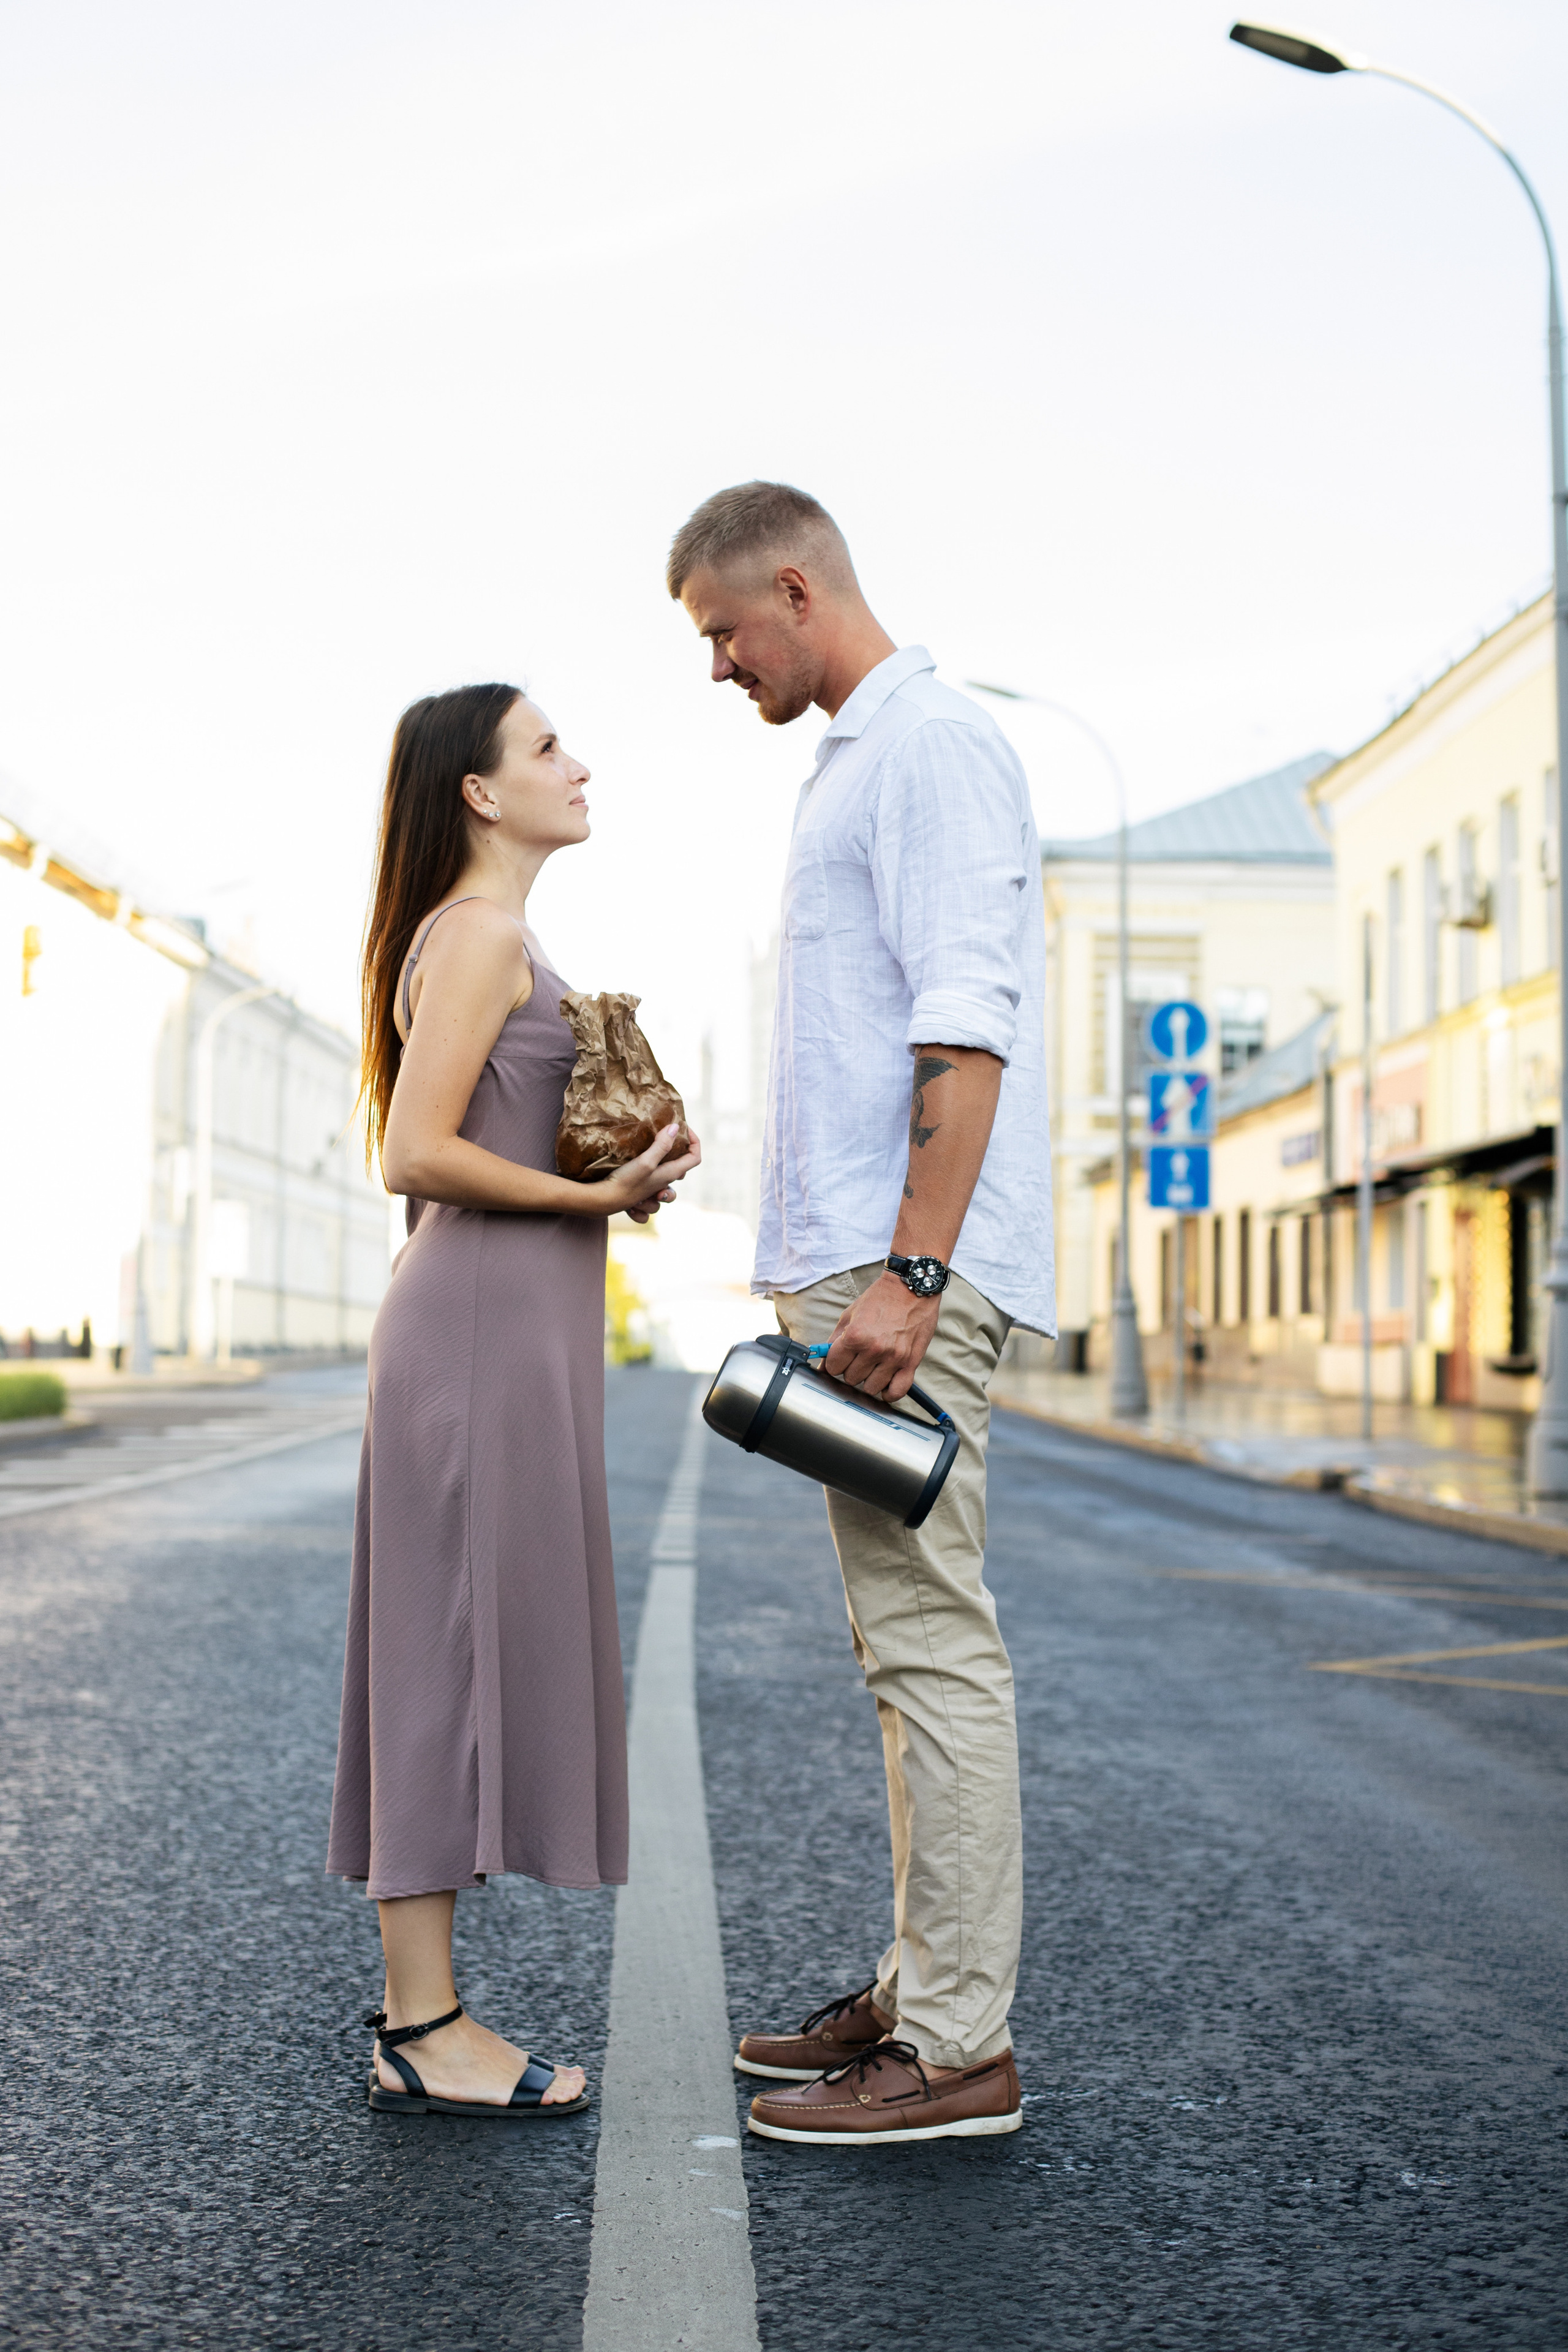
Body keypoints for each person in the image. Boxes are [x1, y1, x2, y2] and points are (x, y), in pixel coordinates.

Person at [669, 483, 1053, 2146]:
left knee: (933, 1643)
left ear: (797, 589)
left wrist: (908, 1268)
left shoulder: (932, 748)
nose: (716, 668)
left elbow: (965, 1023)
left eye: (720, 633)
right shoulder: (859, 758)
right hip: (871, 1257)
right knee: (901, 1650)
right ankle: (920, 1995)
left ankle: (960, 2050)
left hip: (915, 1268)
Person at [326, 683, 698, 2119]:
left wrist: (621, 1172)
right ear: (480, 792)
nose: (579, 764)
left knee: (459, 1653)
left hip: (501, 1333)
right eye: (548, 747)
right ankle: (424, 2030)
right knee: (439, 1665)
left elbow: (485, 1135)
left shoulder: (502, 938)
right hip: (473, 1337)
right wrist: (585, 1192)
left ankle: (428, 2017)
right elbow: (413, 1152)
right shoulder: (480, 938)